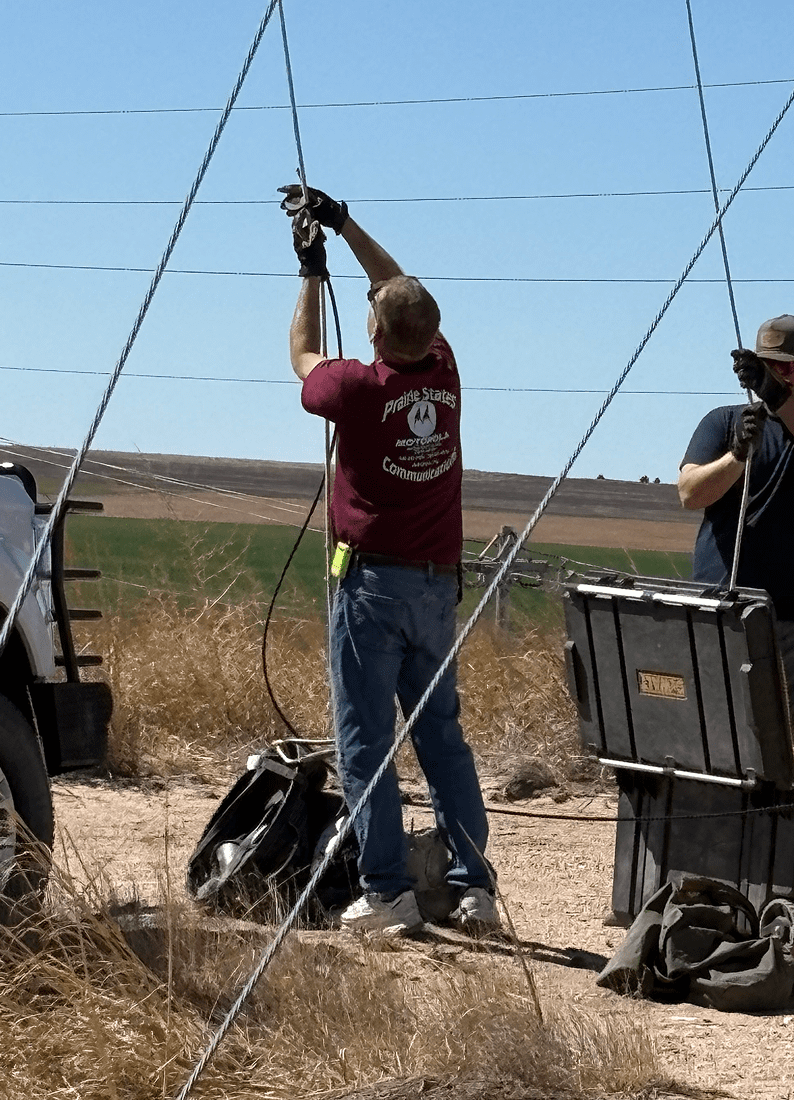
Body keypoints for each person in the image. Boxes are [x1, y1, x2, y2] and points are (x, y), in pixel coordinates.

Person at [281, 184, 498, 936]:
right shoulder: (442, 368)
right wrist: (344, 226)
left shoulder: (356, 388)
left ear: (374, 334)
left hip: (370, 587)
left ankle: (388, 893)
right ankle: (474, 889)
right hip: (437, 590)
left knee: (366, 741)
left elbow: (303, 356)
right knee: (442, 736)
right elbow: (400, 288)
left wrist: (310, 271)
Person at [676, 315, 794, 727]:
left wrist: (780, 400)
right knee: (706, 726)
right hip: (719, 603)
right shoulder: (725, 423)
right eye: (765, 368)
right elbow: (691, 493)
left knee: (771, 734)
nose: (774, 379)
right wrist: (737, 455)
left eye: (785, 368)